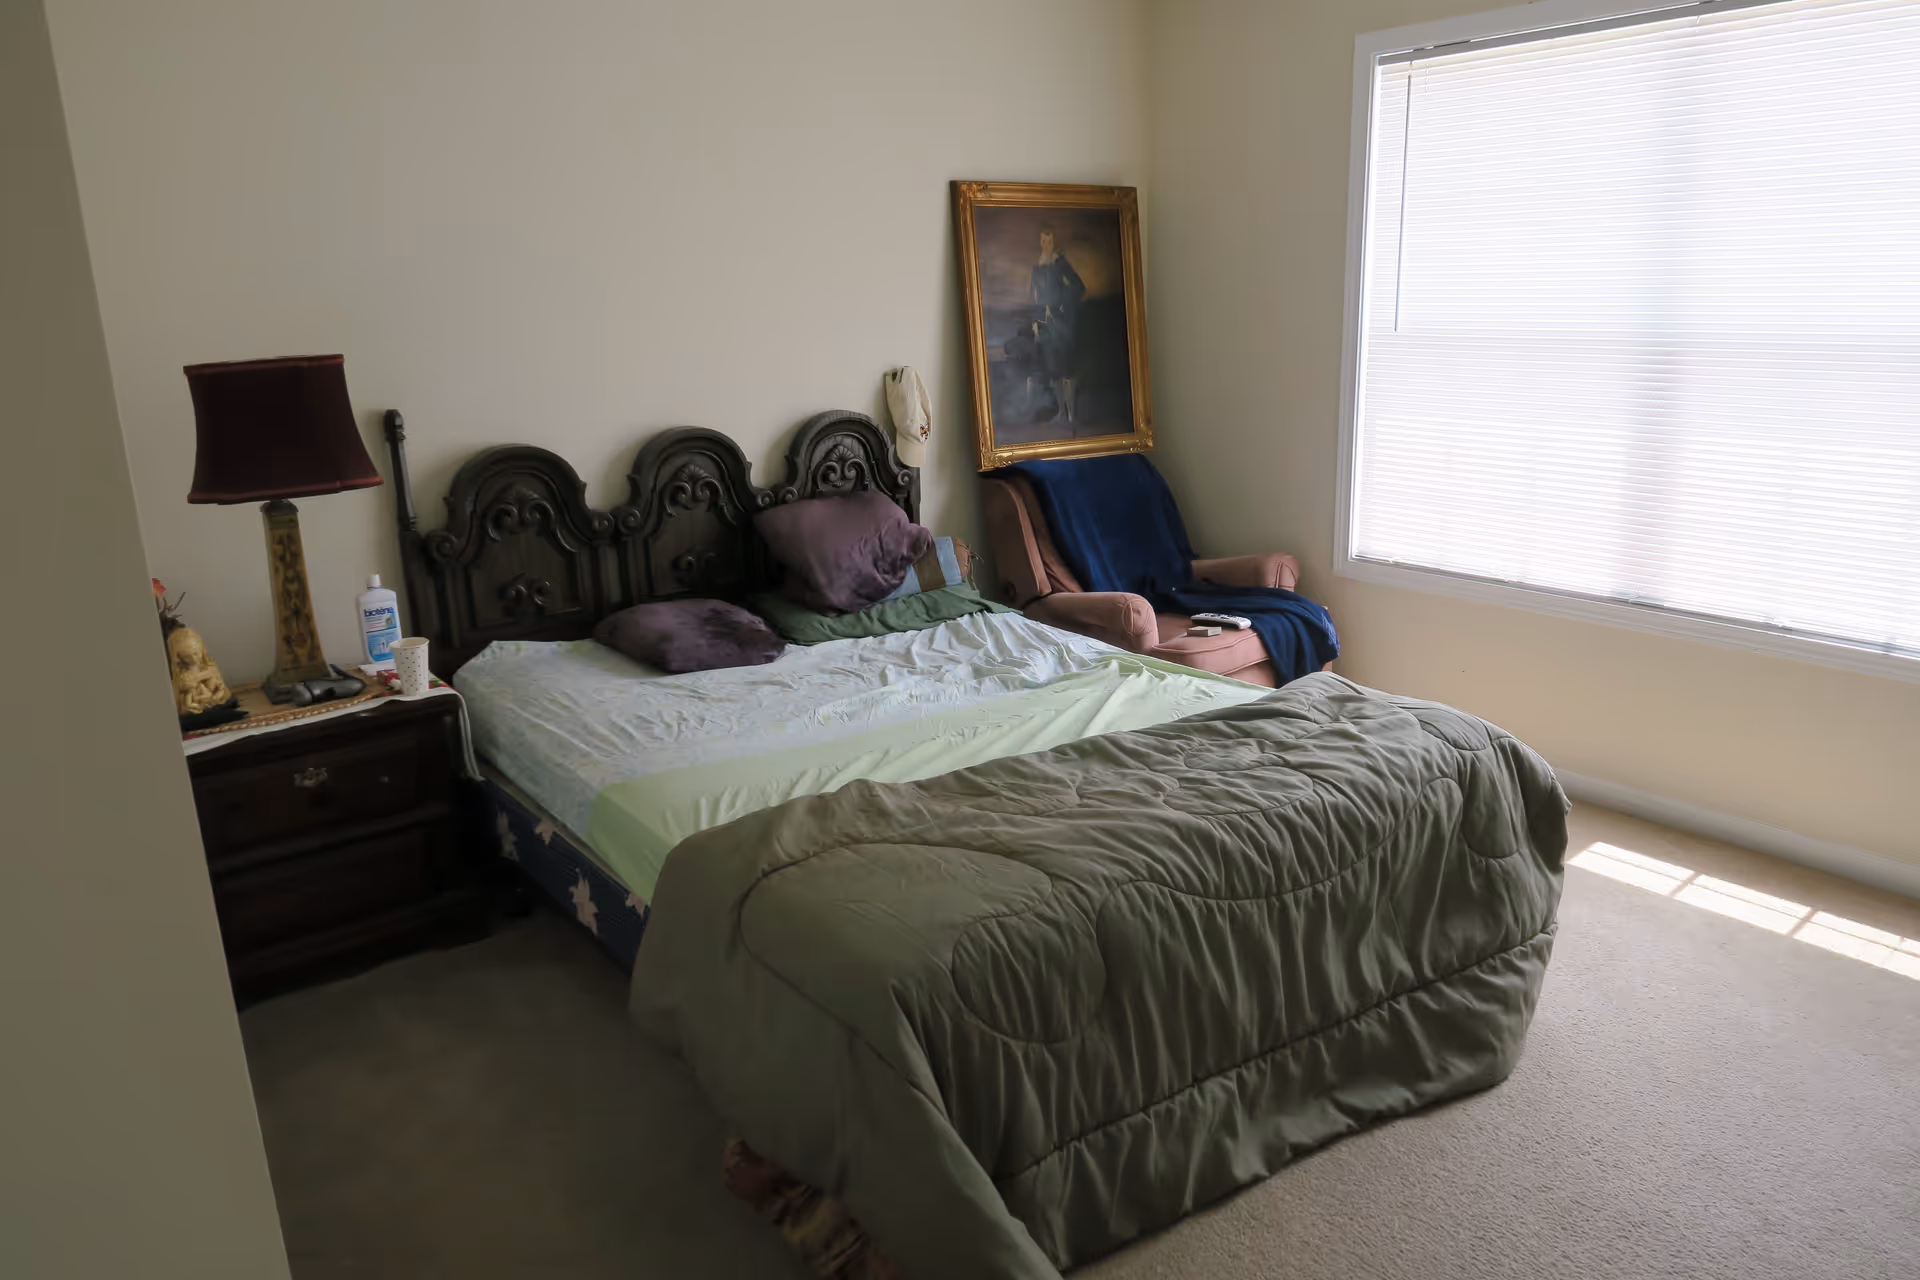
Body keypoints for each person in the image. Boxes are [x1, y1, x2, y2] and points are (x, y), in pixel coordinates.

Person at [1028, 227, 1085, 423]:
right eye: (1043, 241)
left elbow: (1079, 286)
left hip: (1061, 324)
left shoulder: (1060, 265)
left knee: (1066, 370)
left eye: (1049, 242)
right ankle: (1062, 413)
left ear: (1054, 243)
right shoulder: (1036, 268)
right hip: (1045, 326)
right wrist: (1035, 322)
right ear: (1040, 243)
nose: (1046, 245)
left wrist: (1061, 305)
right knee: (1053, 372)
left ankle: (1072, 415)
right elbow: (1032, 298)